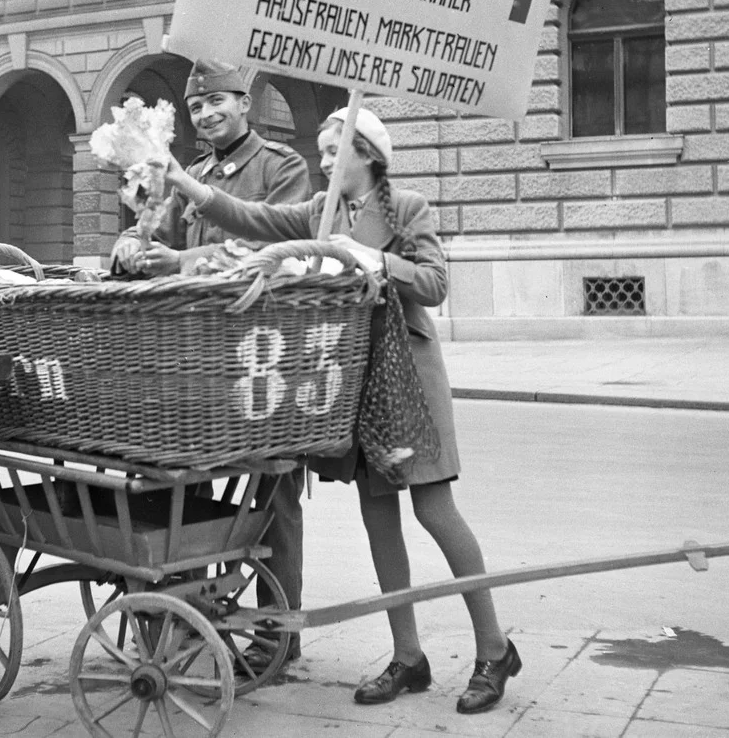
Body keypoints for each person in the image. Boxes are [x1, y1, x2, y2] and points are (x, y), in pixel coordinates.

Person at [164, 105, 521, 715]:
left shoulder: (406, 207)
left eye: (333, 154)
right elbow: (255, 216)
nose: (323, 164)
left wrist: (373, 258)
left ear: (366, 156)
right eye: (323, 154)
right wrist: (186, 183)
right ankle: (408, 656)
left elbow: (435, 284)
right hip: (354, 380)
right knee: (379, 520)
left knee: (436, 513)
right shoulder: (318, 212)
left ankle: (494, 648)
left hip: (410, 380)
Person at [111, 57, 312, 676]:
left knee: (274, 492)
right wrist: (132, 245)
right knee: (184, 490)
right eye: (197, 107)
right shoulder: (188, 172)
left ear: (243, 103)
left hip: (263, 358)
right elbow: (158, 235)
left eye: (217, 102)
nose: (206, 114)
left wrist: (178, 262)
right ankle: (188, 617)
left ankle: (278, 635)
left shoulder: (284, 168)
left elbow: (265, 247)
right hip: (196, 360)